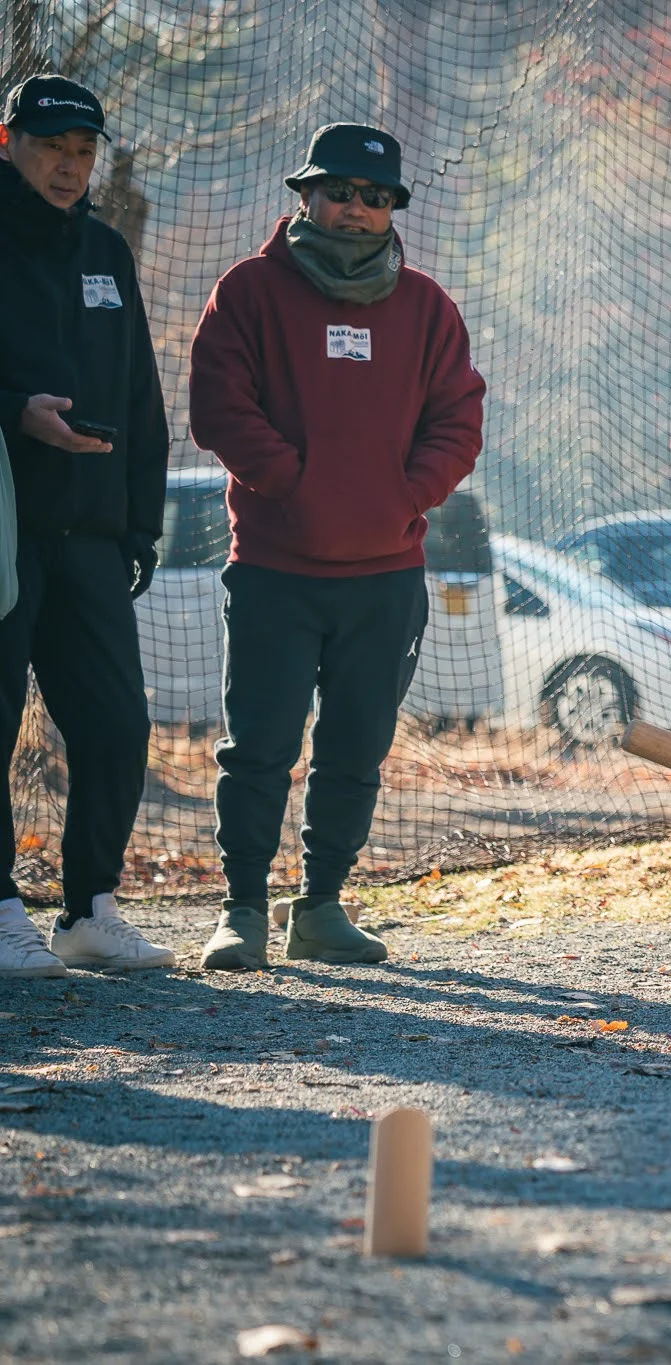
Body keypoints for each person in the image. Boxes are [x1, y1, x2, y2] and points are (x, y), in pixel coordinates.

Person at [187, 123, 485, 970]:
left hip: (386, 576)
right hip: (276, 568)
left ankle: (319, 908)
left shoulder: (428, 307)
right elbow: (219, 406)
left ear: (393, 209)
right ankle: (241, 909)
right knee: (260, 747)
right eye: (341, 193)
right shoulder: (248, 291)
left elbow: (459, 419)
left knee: (356, 749)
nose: (357, 209)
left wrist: (402, 495)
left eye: (375, 196)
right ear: (307, 196)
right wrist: (294, 483)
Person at [0, 75, 172, 977]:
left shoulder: (107, 249)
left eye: (82, 151)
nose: (68, 167)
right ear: (8, 141)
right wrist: (14, 411)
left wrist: (141, 524)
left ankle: (90, 909)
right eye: (50, 147)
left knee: (116, 723)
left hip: (95, 533)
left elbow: (140, 394)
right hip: (4, 528)